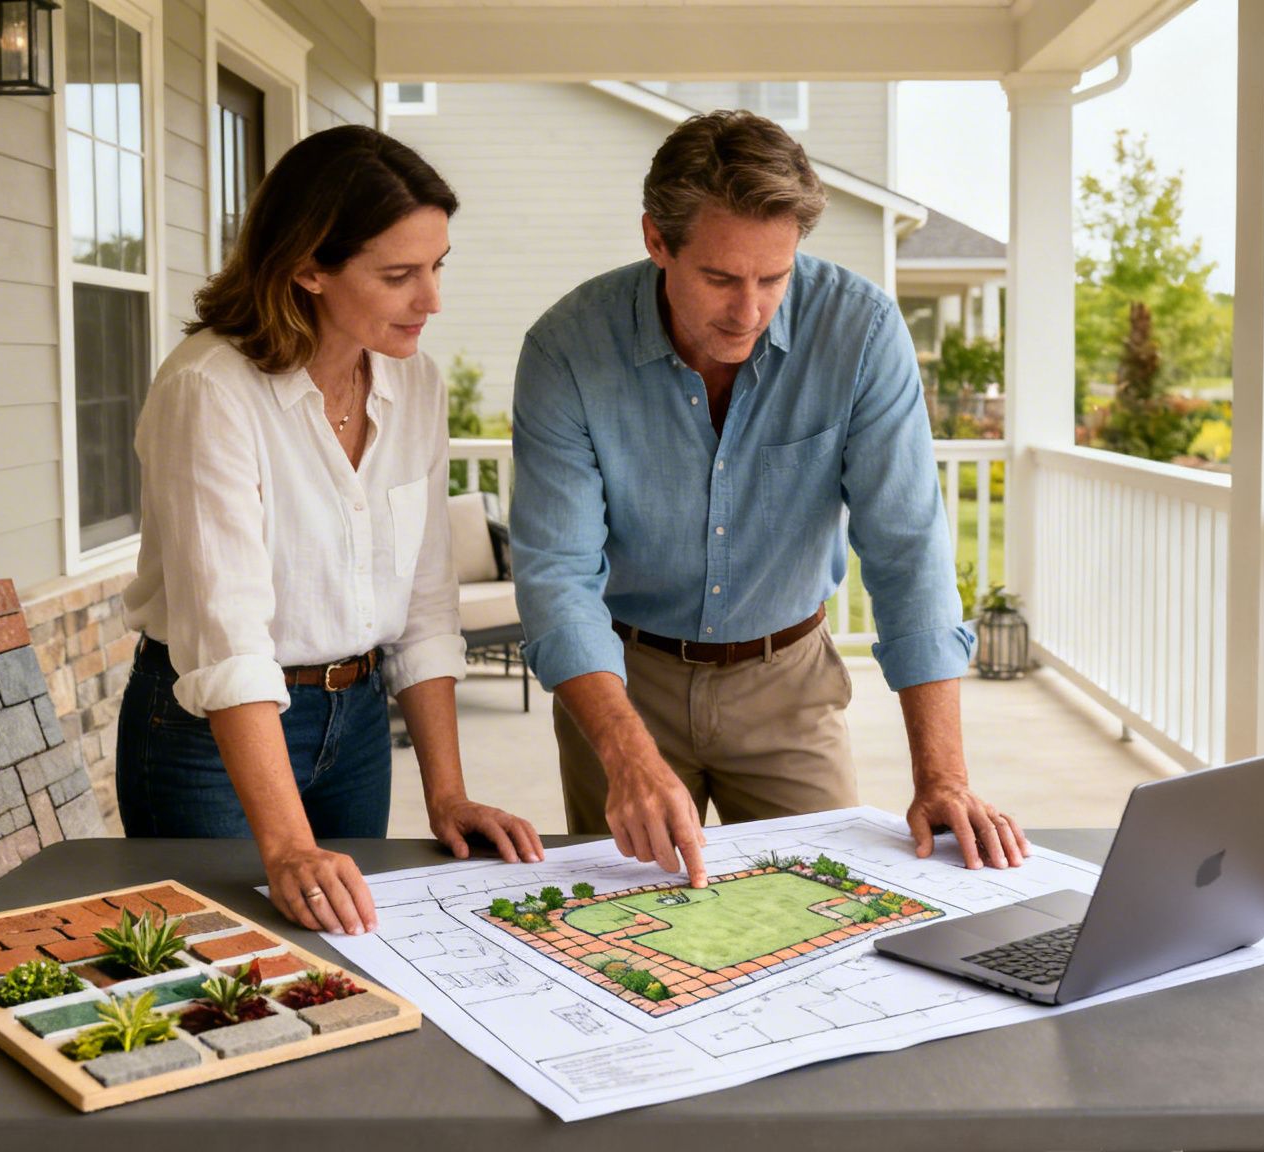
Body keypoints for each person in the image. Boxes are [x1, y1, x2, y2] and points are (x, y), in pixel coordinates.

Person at [510, 111, 1028, 888]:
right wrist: (624, 752)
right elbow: (556, 572)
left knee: (824, 917)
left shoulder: (860, 331)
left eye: (773, 278)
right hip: (624, 678)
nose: (749, 311)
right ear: (657, 241)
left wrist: (944, 776)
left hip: (788, 679)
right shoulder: (568, 350)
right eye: (719, 278)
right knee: (624, 935)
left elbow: (907, 548)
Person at [117, 126, 541, 936]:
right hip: (211, 737)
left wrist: (446, 795)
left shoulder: (412, 382)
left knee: (350, 960)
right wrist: (285, 847)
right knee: (233, 974)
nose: (433, 299)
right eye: (398, 275)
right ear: (308, 266)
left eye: (437, 265)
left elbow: (424, 599)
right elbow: (229, 639)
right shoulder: (210, 390)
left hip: (357, 727)